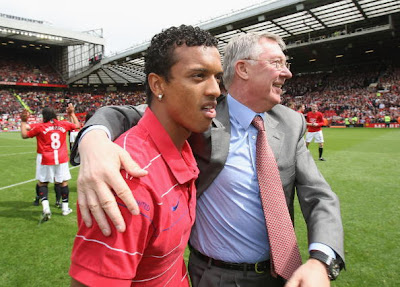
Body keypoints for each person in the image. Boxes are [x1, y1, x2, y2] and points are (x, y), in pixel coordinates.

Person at [71, 32, 345, 287]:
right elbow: (134, 113)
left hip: (283, 273)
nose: (287, 72)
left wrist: (321, 261)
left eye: (286, 64)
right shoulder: (199, 114)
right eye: (277, 63)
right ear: (244, 69)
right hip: (214, 275)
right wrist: (93, 139)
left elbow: (318, 195)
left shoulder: (291, 122)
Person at [69, 25, 223, 286]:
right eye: (198, 76)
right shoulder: (128, 180)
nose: (216, 90)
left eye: (217, 77)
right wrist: (93, 137)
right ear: (157, 84)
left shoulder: (183, 145)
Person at [20, 104, 80, 221]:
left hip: (45, 158)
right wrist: (71, 113)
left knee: (43, 183)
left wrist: (23, 121)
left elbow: (24, 134)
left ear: (44, 116)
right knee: (63, 182)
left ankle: (46, 208)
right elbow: (77, 126)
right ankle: (65, 209)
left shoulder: (40, 126)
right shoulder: (64, 124)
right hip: (61, 158)